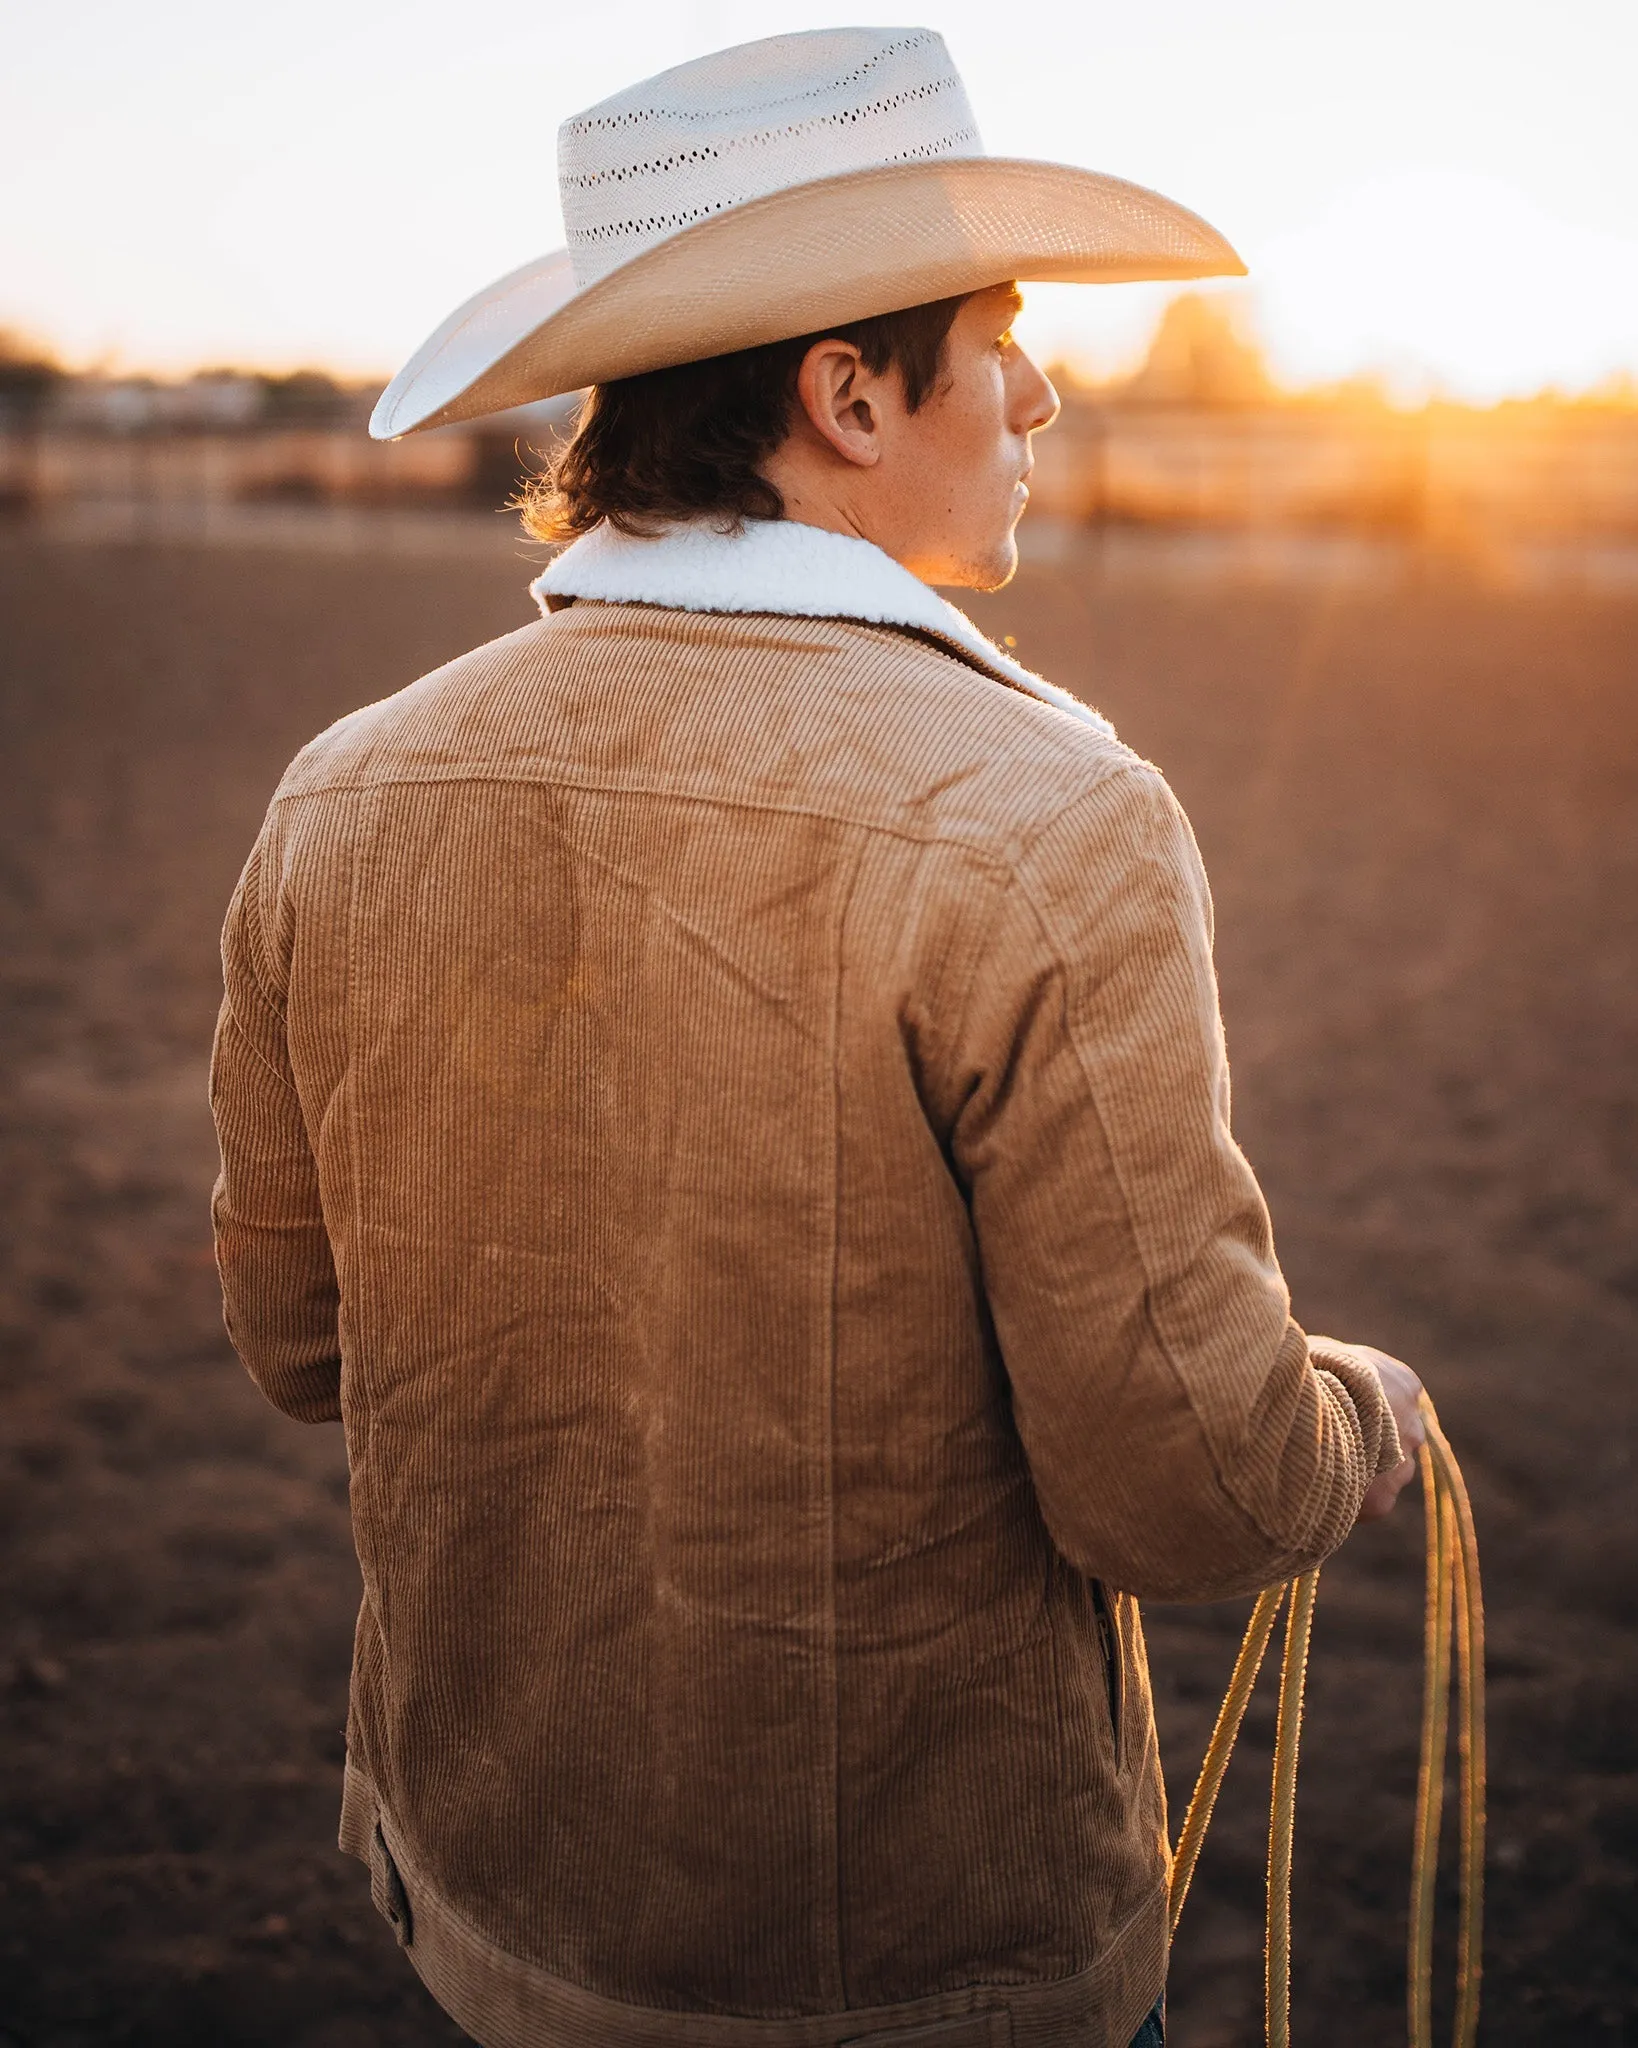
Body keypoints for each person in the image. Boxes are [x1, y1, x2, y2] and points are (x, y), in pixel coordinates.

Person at [210, 28, 1424, 2048]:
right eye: (1002, 334)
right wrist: (1360, 1417)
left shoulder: (341, 789)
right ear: (847, 396)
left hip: (495, 1910)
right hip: (917, 1967)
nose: (1041, 390)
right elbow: (1182, 1488)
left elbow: (292, 1340)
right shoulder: (1047, 813)